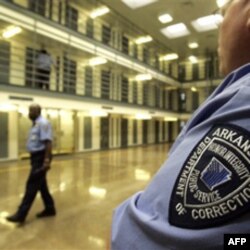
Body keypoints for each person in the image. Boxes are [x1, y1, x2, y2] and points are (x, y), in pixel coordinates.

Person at [111, 0, 250, 249]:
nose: (220, 27)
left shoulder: (245, 100)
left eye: (222, 15)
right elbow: (234, 241)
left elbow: (133, 241)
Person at [7, 104, 56, 223]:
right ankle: (50, 209)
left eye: (32, 111)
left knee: (31, 185)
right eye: (29, 110)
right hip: (35, 158)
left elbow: (48, 143)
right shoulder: (35, 124)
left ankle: (21, 214)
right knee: (41, 185)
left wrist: (46, 161)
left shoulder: (43, 123)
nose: (29, 113)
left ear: (38, 111)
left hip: (40, 158)